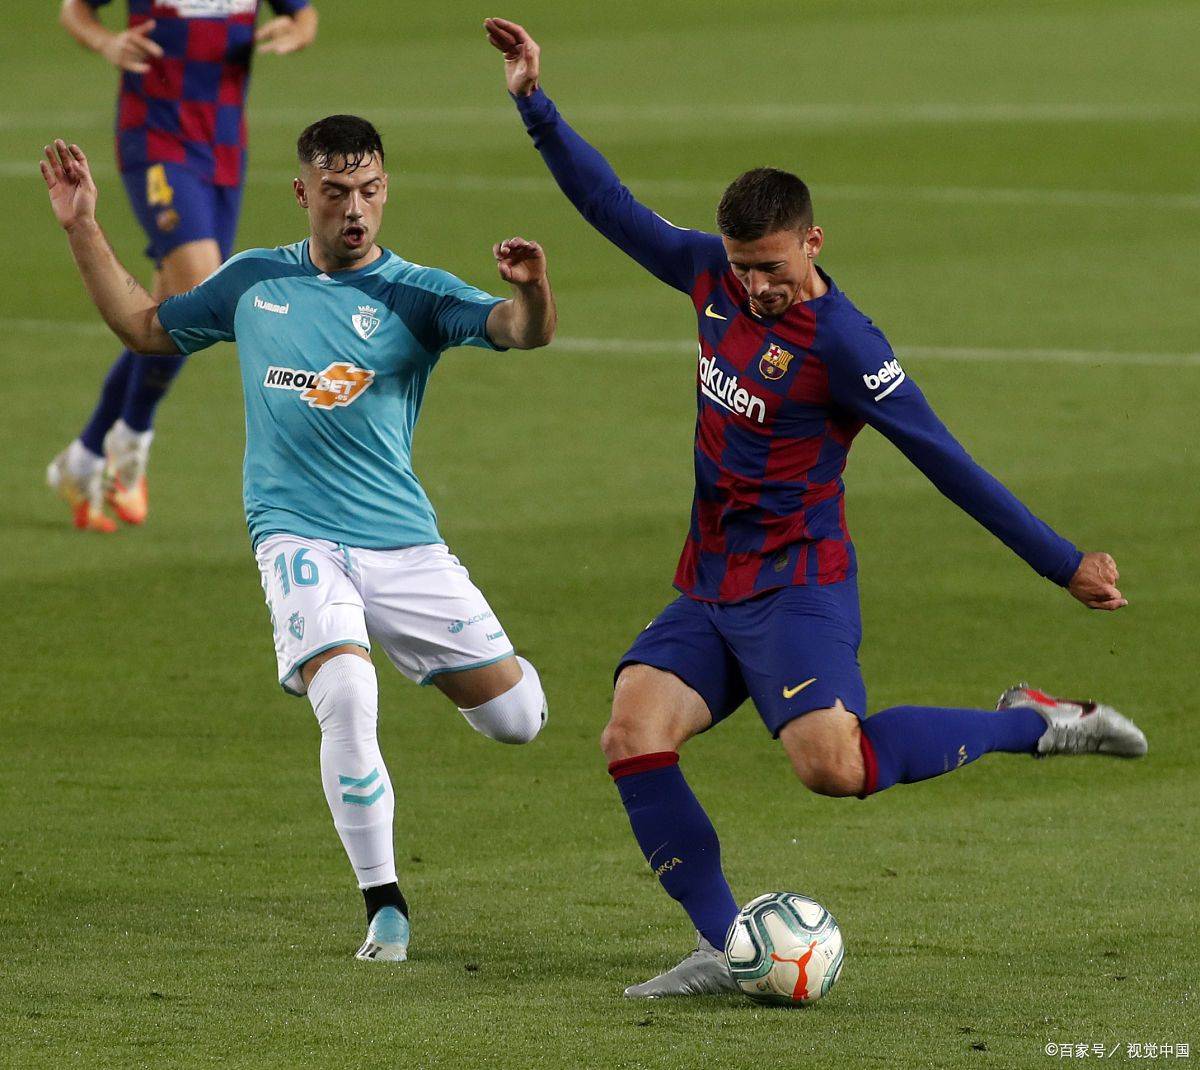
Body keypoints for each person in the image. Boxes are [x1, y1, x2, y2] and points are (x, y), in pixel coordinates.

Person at [484, 17, 1148, 998]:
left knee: (833, 768)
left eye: (774, 267)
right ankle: (727, 946)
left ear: (814, 242)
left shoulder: (846, 344)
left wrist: (1065, 561)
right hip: (711, 579)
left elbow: (946, 462)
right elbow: (611, 206)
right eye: (744, 266)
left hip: (799, 581)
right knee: (631, 733)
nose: (756, 286)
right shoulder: (710, 275)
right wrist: (535, 104)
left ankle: (1030, 722)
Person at [40, 114, 557, 962]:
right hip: (295, 536)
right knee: (346, 695)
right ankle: (384, 906)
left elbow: (519, 329)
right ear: (302, 192)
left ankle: (481, 674)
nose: (355, 208)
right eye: (336, 191)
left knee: (517, 721)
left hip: (401, 545)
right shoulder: (254, 282)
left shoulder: (415, 293)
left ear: (385, 190)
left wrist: (532, 291)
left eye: (370, 190)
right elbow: (144, 327)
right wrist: (83, 225)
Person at [48, 0, 319, 532]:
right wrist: (106, 41)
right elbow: (73, 10)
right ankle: (131, 437)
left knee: (169, 314)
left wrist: (297, 31)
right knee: (203, 284)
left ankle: (84, 457)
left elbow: (304, 14)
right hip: (155, 140)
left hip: (223, 146)